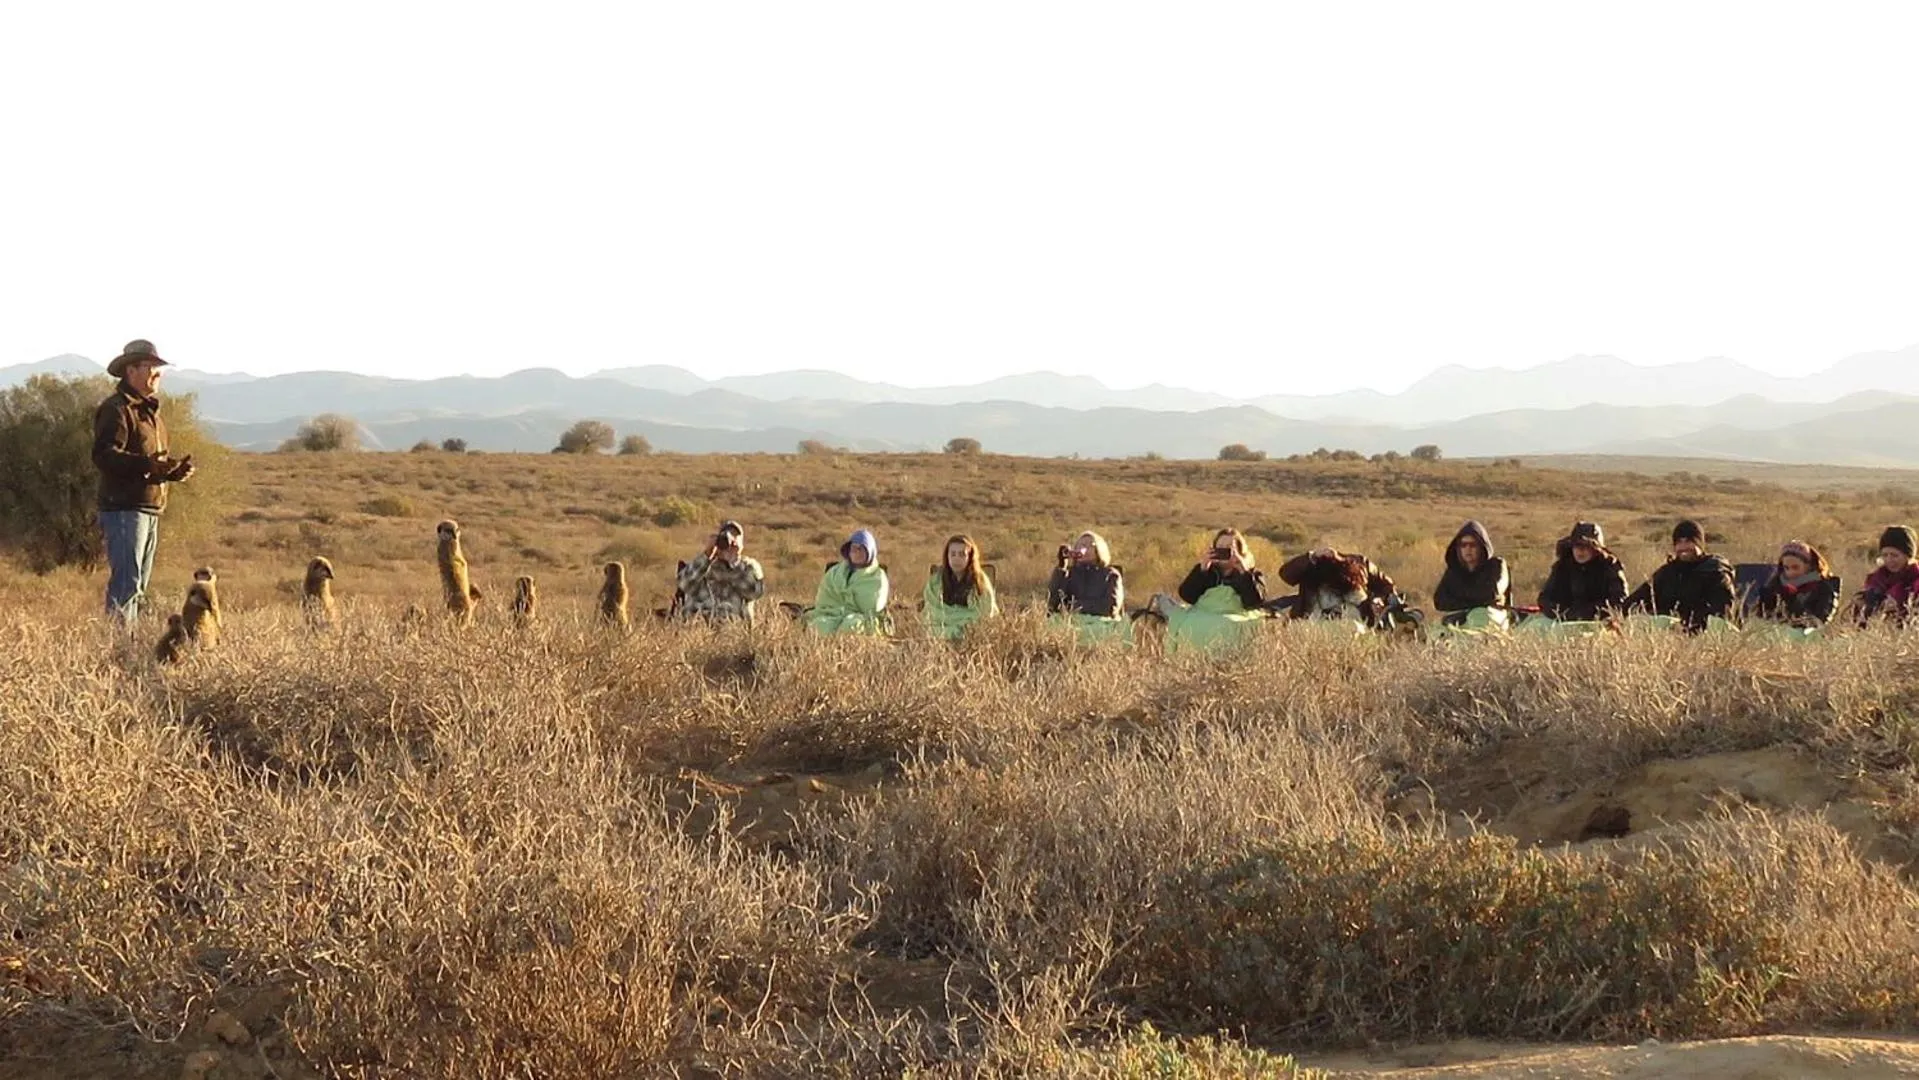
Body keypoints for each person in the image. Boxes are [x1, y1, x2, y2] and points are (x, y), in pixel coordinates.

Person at [93, 339, 195, 624]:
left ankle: (127, 648)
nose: (156, 374)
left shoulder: (150, 415)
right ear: (131, 371)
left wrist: (170, 472)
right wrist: (148, 465)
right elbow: (104, 455)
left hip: (147, 508)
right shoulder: (117, 410)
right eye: (150, 367)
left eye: (157, 369)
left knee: (137, 588)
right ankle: (118, 650)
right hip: (124, 509)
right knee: (127, 585)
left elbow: (145, 465)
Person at [1148, 529, 1268, 650]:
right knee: (1164, 604)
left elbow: (1255, 602)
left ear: (1240, 551)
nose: (1223, 551)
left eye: (1229, 547)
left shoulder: (1252, 573)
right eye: (1220, 547)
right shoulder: (1207, 571)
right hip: (1203, 612)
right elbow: (1187, 595)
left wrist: (1244, 572)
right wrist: (1202, 570)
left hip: (1233, 614)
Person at [1624, 520, 1736, 633]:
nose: (1683, 547)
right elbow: (1634, 601)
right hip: (1667, 638)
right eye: (1679, 542)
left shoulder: (1715, 573)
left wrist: (1686, 626)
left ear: (1699, 544)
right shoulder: (1666, 573)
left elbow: (1722, 613)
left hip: (1703, 637)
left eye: (1688, 541)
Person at [1276, 546, 1399, 626]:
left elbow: (1387, 587)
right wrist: (1311, 557)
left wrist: (1379, 600)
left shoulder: (1362, 566)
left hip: (1356, 628)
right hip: (1314, 629)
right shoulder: (1311, 569)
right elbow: (1286, 574)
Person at [1535, 521, 1628, 623]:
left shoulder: (1609, 567)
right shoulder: (1563, 567)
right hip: (1564, 623)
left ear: (1596, 550)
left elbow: (1619, 600)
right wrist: (1564, 614)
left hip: (1600, 623)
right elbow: (1545, 599)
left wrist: (1588, 613)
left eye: (1587, 546)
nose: (1580, 550)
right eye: (1576, 545)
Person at [1047, 530, 1129, 643]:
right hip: (1071, 622)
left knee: (1107, 631)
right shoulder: (1069, 573)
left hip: (1101, 623)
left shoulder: (1111, 574)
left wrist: (1076, 606)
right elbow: (1053, 603)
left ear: (1099, 550)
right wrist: (1061, 568)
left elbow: (1111, 606)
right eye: (1079, 545)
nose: (1082, 548)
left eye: (1088, 545)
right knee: (1051, 625)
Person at [676, 519, 765, 622]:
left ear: (742, 545)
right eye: (725, 538)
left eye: (735, 537)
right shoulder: (703, 566)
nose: (730, 543)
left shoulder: (748, 567)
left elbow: (755, 592)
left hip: (735, 633)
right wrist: (707, 555)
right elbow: (683, 584)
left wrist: (733, 565)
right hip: (700, 631)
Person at [809, 528, 890, 635]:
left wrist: (849, 604)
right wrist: (837, 610)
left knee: (851, 626)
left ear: (869, 552)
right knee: (819, 626)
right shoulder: (835, 572)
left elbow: (873, 606)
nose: (856, 553)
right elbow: (825, 597)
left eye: (861, 549)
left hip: (863, 619)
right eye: (853, 549)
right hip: (833, 614)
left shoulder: (877, 576)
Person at [1432, 521, 1510, 628]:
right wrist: (1474, 600)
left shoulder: (1496, 566)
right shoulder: (1454, 570)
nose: (1468, 549)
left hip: (1491, 616)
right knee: (1438, 627)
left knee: (1479, 616)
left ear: (1482, 547)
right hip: (1462, 617)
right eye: (1463, 545)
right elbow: (1440, 601)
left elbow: (1491, 593)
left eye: (1473, 545)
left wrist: (1459, 597)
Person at [922, 534, 998, 639]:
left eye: (962, 554)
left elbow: (984, 614)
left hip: (972, 637)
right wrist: (950, 630)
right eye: (953, 554)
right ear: (947, 556)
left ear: (970, 557)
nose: (956, 559)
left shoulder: (980, 582)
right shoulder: (935, 582)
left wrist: (960, 629)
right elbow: (931, 612)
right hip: (939, 637)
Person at [1752, 541, 1839, 628]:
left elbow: (1820, 621)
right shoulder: (1774, 586)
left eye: (1795, 567)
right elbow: (1760, 618)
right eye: (1786, 568)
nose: (1791, 572)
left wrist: (1793, 604)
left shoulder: (1824, 588)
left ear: (1809, 566)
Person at [1857, 526, 1919, 626]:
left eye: (1894, 555)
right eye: (1885, 555)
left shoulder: (1916, 581)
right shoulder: (1875, 580)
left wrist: (1900, 608)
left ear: (1908, 556)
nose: (1889, 560)